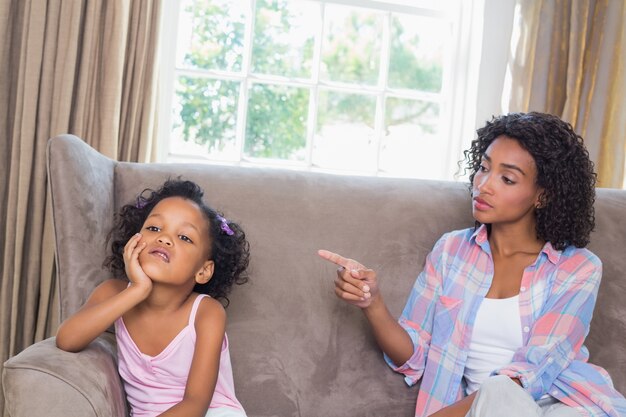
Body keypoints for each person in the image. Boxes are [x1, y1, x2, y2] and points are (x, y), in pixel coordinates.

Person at [319, 112, 626, 417]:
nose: (484, 185)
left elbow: (531, 372)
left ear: (542, 196)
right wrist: (372, 302)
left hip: (565, 404)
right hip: (488, 410)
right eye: (483, 168)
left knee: (510, 392)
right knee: (498, 396)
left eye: (507, 178)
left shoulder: (579, 268)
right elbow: (413, 357)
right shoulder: (451, 251)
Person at [56, 179, 250, 417]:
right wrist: (137, 290)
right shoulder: (113, 293)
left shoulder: (207, 313)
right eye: (155, 228)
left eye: (185, 237)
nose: (164, 239)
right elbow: (67, 340)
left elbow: (196, 405)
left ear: (203, 271)